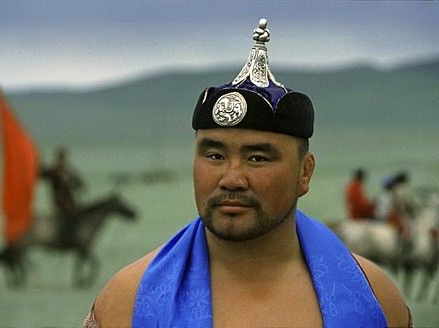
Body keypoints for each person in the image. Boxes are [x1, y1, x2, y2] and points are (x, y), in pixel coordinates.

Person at [83, 19, 412, 327]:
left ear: (305, 172)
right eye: (214, 155)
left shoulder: (374, 300)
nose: (231, 178)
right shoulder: (129, 301)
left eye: (257, 158)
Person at [40, 147, 85, 245]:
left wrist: (78, 184)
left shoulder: (68, 172)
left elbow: (79, 183)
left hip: (70, 203)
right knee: (69, 218)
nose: (62, 161)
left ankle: (74, 239)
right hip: (59, 204)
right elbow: (41, 174)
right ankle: (65, 240)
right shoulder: (53, 172)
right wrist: (39, 160)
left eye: (63, 158)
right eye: (60, 158)